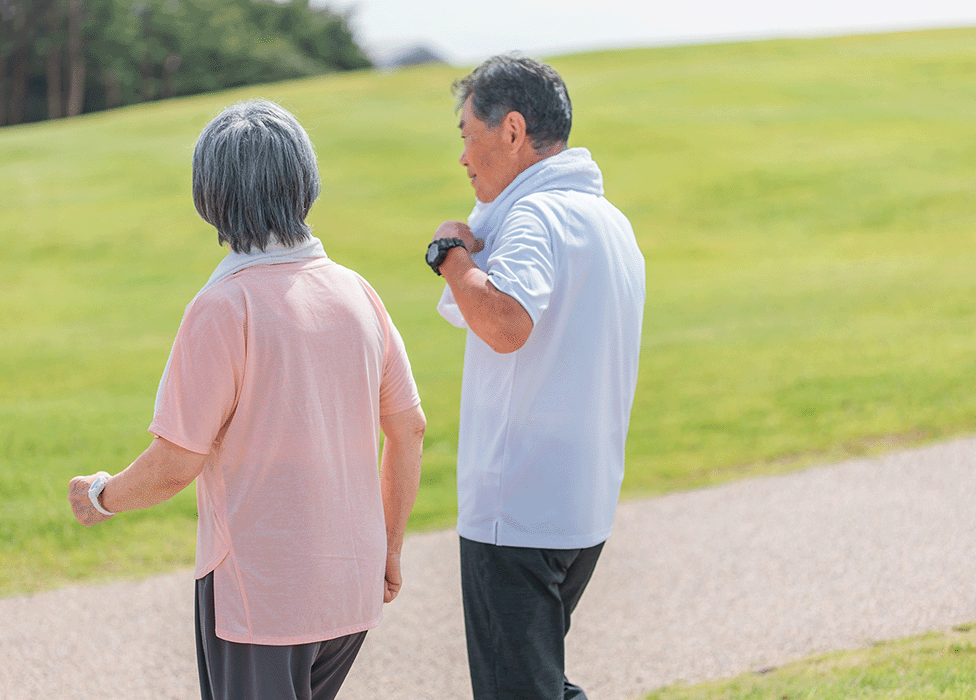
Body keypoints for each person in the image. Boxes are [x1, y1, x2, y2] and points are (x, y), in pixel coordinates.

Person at [69, 99, 426, 700]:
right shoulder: (356, 292)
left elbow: (175, 463)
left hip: (260, 599)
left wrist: (102, 497)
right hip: (349, 589)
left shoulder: (221, 309)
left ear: (210, 196)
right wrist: (389, 546)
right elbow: (409, 427)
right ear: (304, 182)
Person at [424, 55, 646, 700]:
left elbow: (504, 324)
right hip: (581, 507)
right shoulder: (611, 223)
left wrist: (449, 252)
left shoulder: (534, 216)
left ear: (511, 130)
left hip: (516, 510)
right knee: (538, 683)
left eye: (468, 134)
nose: (464, 156)